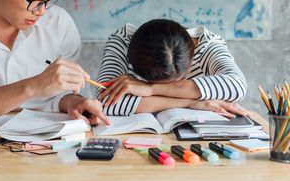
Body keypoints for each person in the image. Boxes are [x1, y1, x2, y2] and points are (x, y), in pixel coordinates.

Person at [97, 19, 251, 118]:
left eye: (179, 80)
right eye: (150, 82)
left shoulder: (207, 45)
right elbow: (105, 103)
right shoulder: (122, 43)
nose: (165, 87)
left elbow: (237, 86)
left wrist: (151, 89)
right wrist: (190, 102)